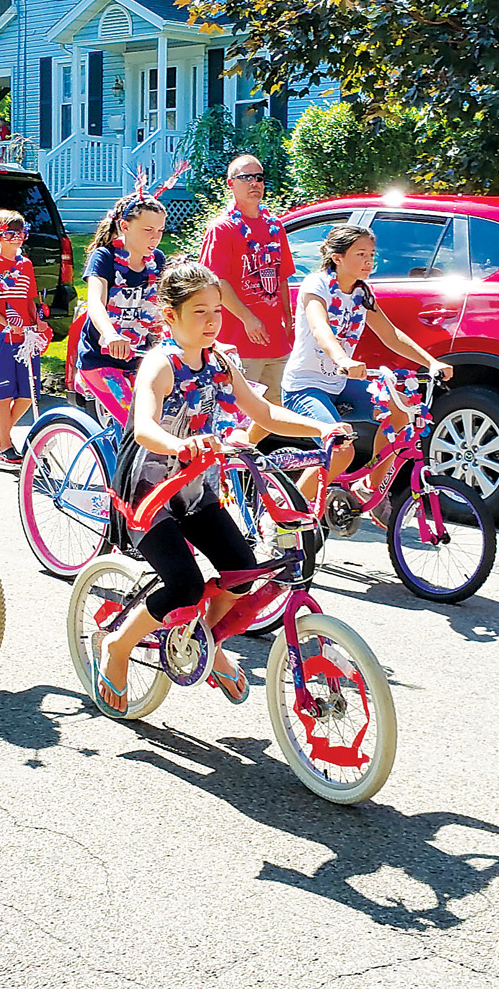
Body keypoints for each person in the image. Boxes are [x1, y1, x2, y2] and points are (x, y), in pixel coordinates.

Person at [94, 257, 347, 712]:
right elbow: (144, 428)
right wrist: (182, 443)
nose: (212, 321)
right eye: (199, 312)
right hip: (150, 492)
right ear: (170, 316)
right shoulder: (160, 363)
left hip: (196, 488)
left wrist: (320, 430)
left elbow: (263, 414)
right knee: (186, 585)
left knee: (241, 571)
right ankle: (117, 645)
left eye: (216, 310)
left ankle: (206, 644)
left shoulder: (220, 361)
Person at [281, 224, 452, 517]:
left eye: (371, 254)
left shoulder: (362, 292)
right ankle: (286, 512)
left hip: (340, 384)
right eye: (360, 254)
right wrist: (342, 360)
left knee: (400, 413)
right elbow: (320, 328)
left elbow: (390, 334)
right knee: (340, 449)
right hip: (304, 387)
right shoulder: (316, 285)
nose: (368, 261)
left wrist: (431, 362)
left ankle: (368, 488)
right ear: (337, 257)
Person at [199, 155, 295, 438]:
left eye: (260, 177)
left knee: (275, 406)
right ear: (231, 184)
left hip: (275, 339)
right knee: (236, 410)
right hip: (239, 339)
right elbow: (217, 280)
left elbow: (282, 277)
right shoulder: (223, 228)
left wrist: (287, 320)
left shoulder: (275, 227)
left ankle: (242, 458)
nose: (255, 183)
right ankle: (229, 463)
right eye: (246, 178)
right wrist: (249, 319)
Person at [75, 194, 168, 425]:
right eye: (148, 230)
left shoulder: (157, 260)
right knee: (137, 424)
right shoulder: (104, 256)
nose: (155, 238)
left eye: (160, 230)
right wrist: (110, 334)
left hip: (140, 358)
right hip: (101, 359)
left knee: (167, 420)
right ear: (124, 226)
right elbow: (95, 302)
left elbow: (166, 308)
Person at [0, 208, 49, 462]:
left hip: (25, 339)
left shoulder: (25, 264)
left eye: (21, 233)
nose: (16, 238)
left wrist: (38, 321)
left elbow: (29, 299)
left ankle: (1, 429)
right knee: (3, 394)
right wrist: (4, 323)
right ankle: (4, 445)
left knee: (28, 394)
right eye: (9, 233)